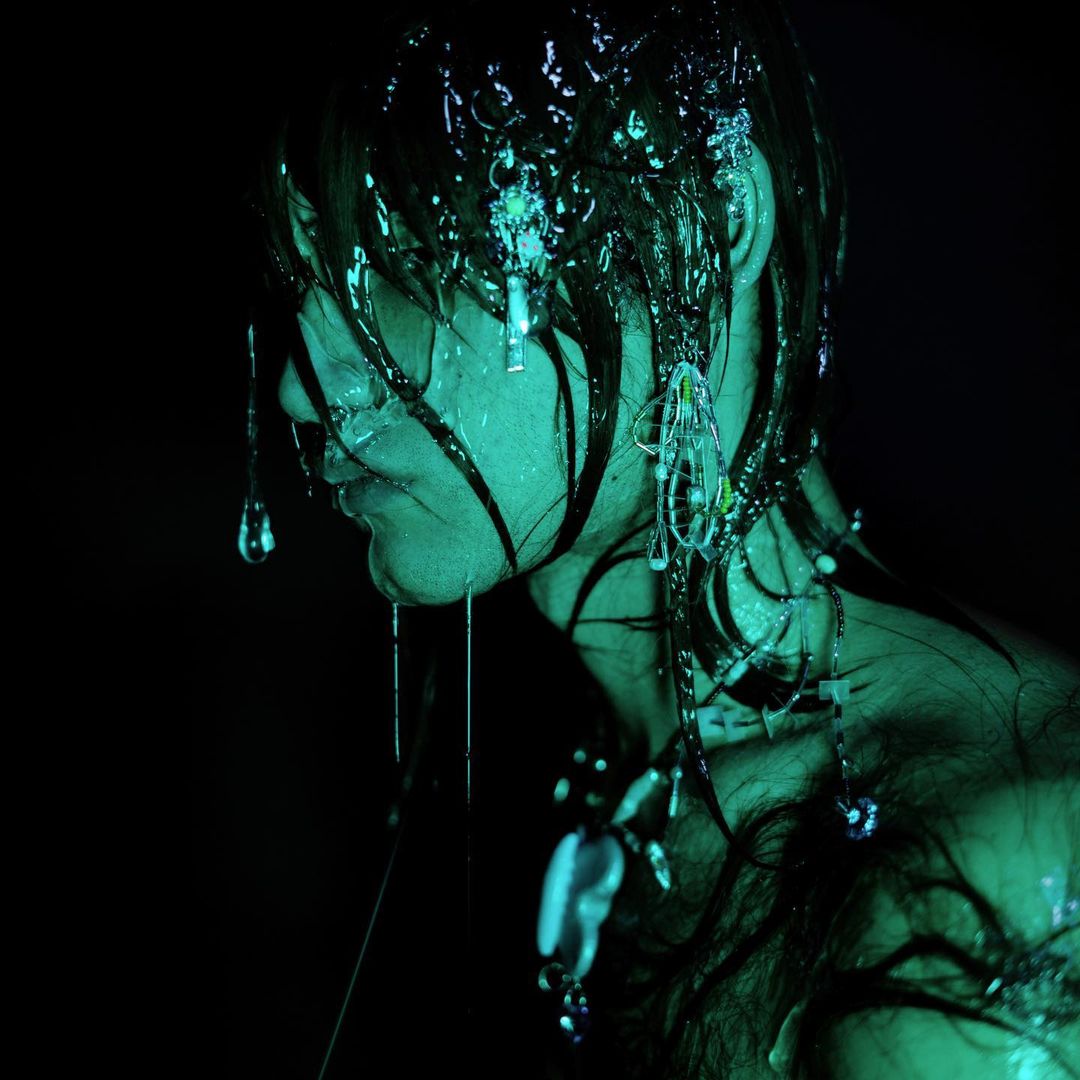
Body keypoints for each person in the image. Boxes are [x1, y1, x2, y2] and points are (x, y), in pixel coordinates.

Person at [242, 2, 1079, 1076]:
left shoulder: (980, 879)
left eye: (404, 265)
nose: (305, 387)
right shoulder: (569, 785)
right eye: (300, 285)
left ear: (710, 220)